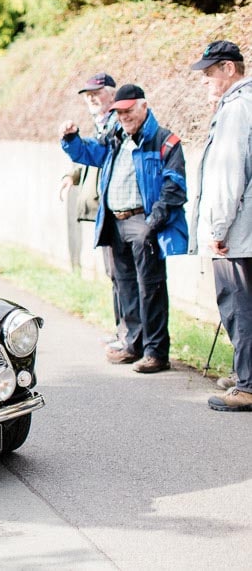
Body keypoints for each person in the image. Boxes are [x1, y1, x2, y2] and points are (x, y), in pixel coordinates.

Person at [60, 84, 188, 373]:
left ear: (143, 106)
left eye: (129, 110)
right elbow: (88, 154)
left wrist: (153, 222)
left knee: (150, 288)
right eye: (119, 112)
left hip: (144, 223)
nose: (124, 116)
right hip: (115, 222)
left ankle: (156, 353)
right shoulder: (115, 137)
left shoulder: (164, 140)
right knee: (126, 287)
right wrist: (70, 138)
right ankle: (133, 345)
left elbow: (175, 186)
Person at [186, 40, 252, 411]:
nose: (205, 80)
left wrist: (217, 229)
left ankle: (247, 385)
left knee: (238, 307)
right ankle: (246, 373)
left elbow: (230, 174)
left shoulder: (237, 109)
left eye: (210, 72)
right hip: (244, 229)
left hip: (236, 233)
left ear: (229, 68)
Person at [58, 72, 124, 348]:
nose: (92, 99)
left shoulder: (118, 123)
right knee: (116, 275)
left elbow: (102, 155)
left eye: (97, 94)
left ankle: (128, 335)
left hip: (116, 209)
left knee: (122, 275)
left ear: (112, 94)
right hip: (105, 210)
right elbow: (90, 155)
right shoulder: (101, 124)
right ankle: (123, 332)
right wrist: (71, 174)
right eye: (88, 96)